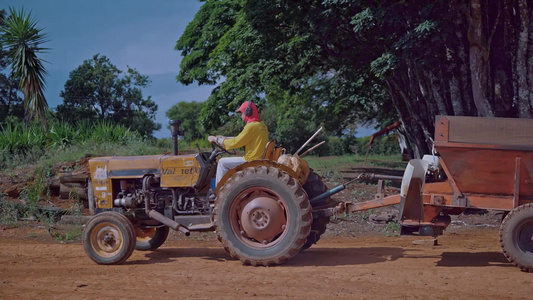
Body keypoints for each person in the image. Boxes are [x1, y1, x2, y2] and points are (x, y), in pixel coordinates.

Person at [208, 101, 269, 187]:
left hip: (251, 160)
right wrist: (223, 139)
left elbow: (236, 143)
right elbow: (240, 138)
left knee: (222, 162)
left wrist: (216, 139)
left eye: (242, 112)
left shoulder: (251, 126)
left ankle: (219, 191)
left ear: (248, 112)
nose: (241, 115)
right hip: (258, 159)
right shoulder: (261, 125)